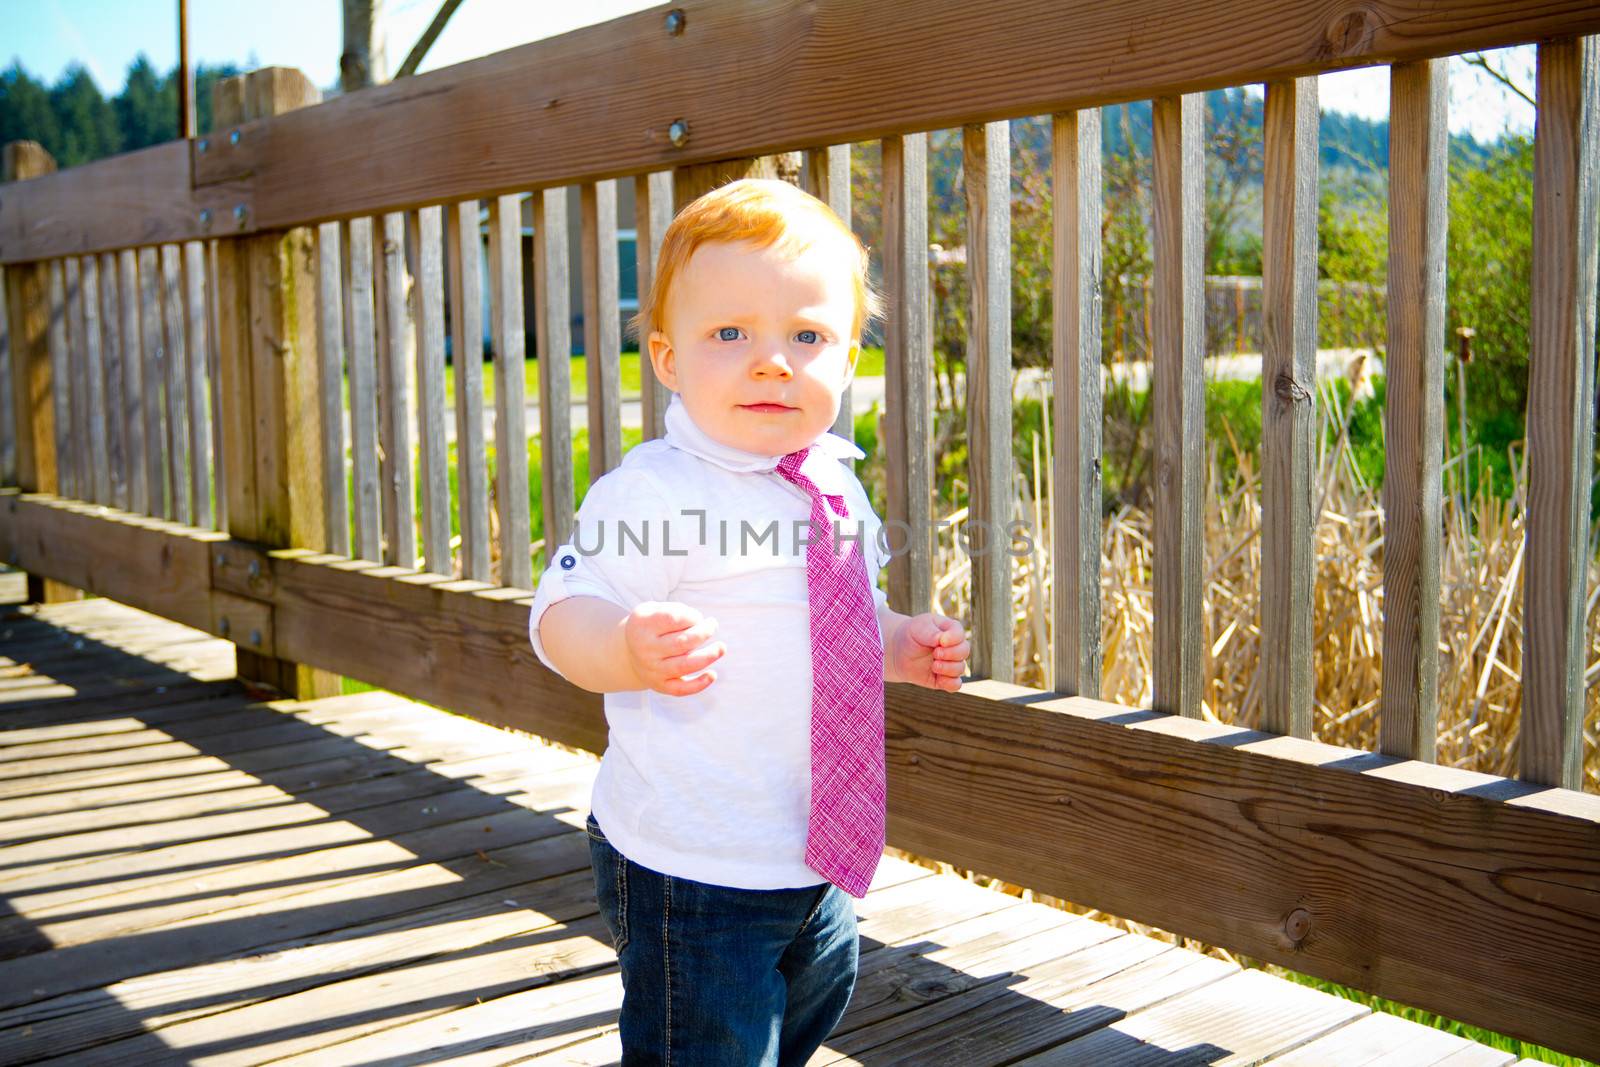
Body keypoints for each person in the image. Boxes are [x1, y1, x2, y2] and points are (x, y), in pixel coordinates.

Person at [527, 177, 970, 1066]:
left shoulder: (835, 485)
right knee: (709, 1042)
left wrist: (899, 643)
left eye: (806, 337)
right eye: (730, 334)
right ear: (667, 358)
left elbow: (842, 621)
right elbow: (558, 614)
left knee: (815, 992)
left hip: (809, 846)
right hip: (693, 858)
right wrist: (621, 646)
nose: (772, 361)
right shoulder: (657, 491)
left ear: (847, 361)